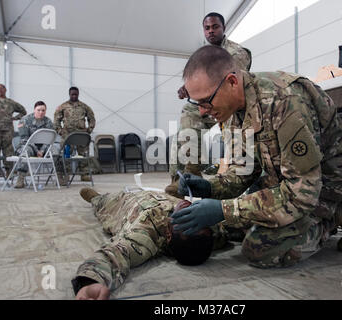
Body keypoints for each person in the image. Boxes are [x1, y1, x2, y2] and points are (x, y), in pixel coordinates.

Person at [172, 45, 342, 268]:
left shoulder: (285, 102)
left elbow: (302, 194)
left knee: (261, 249)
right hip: (284, 179)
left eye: (205, 101)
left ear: (231, 82)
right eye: (196, 103)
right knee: (229, 228)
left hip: (327, 183)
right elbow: (243, 172)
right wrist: (209, 188)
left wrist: (224, 209)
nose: (202, 112)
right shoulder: (232, 111)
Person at [72, 187, 227, 300]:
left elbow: (114, 254)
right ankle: (173, 189)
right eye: (198, 222)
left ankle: (97, 198)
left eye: (185, 220)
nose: (191, 213)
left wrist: (88, 282)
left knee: (104, 202)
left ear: (168, 234)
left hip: (122, 203)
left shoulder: (145, 236)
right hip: (160, 196)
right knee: (174, 191)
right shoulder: (214, 229)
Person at [165, 12, 252, 198]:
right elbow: (198, 80)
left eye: (215, 27)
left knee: (230, 135)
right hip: (211, 101)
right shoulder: (203, 56)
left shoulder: (237, 52)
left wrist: (198, 89)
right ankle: (181, 177)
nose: (211, 31)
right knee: (184, 128)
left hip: (232, 104)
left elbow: (229, 84)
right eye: (207, 28)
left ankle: (197, 173)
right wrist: (188, 89)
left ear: (224, 28)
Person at [54, 87, 96, 183]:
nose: (74, 96)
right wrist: (60, 131)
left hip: (81, 134)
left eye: (76, 94)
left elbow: (91, 118)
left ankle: (84, 174)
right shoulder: (63, 106)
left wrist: (89, 130)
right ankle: (66, 174)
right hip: (67, 135)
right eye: (72, 94)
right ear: (69, 94)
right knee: (66, 155)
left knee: (84, 154)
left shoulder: (84, 107)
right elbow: (56, 120)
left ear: (78, 94)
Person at [14, 101, 54, 188]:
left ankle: (59, 176)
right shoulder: (25, 120)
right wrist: (37, 151)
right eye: (38, 110)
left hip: (43, 147)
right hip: (28, 145)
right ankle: (20, 178)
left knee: (55, 150)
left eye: (43, 110)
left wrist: (42, 150)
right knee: (26, 151)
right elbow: (25, 139)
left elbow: (49, 139)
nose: (41, 112)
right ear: (34, 110)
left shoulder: (48, 122)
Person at [0, 84, 27, 179]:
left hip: (8, 130)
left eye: (2, 88)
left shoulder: (11, 103)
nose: (0, 90)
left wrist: (15, 118)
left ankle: (9, 172)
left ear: (5, 89)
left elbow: (23, 111)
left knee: (8, 151)